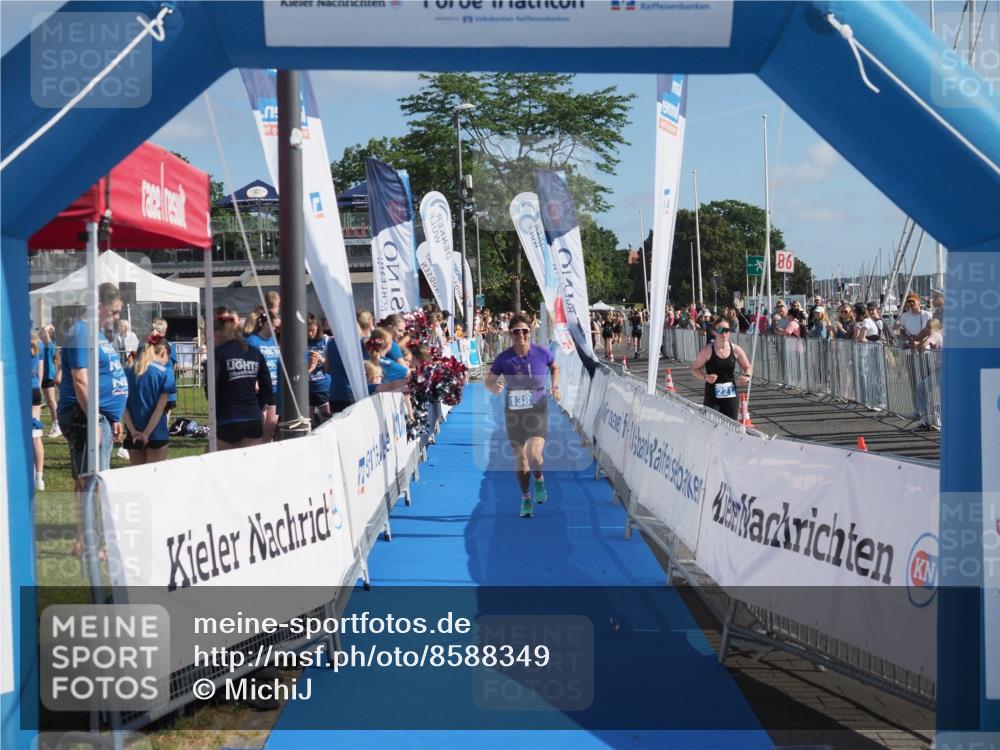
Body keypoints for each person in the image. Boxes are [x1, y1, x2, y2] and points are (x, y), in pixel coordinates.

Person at [57, 282, 128, 558]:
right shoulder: (80, 331)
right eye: (115, 311)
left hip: (99, 417)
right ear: (99, 307)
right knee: (92, 482)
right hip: (83, 414)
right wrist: (95, 418)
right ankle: (91, 542)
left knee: (92, 479)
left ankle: (86, 541)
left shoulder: (96, 333)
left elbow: (103, 375)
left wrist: (113, 415)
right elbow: (80, 380)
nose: (117, 316)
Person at [485, 314, 560, 518]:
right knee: (521, 459)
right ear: (510, 334)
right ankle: (526, 499)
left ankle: (539, 478)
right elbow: (488, 381)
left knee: (534, 454)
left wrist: (555, 386)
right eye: (516, 331)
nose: (521, 335)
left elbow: (554, 367)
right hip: (514, 411)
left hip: (537, 407)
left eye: (524, 331)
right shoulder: (504, 357)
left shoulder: (541, 352)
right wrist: (495, 387)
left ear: (530, 332)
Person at [213, 307, 274, 451]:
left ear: (220, 332)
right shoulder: (254, 352)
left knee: (224, 467)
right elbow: (267, 386)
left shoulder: (219, 353)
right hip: (252, 417)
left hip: (228, 418)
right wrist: (257, 405)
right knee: (250, 467)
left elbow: (211, 386)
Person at [123, 334, 176, 465]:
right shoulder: (165, 373)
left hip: (132, 433)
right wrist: (146, 434)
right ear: (164, 352)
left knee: (137, 480)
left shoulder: (126, 371)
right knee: (154, 480)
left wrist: (134, 432)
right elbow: (160, 408)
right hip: (157, 433)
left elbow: (123, 407)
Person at [690, 319, 752, 421]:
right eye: (720, 330)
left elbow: (747, 367)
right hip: (712, 395)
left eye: (727, 330)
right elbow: (694, 369)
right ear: (714, 332)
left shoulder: (736, 349)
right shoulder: (707, 350)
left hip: (731, 395)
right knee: (711, 425)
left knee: (731, 426)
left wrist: (747, 376)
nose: (724, 333)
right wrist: (706, 377)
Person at [245, 308, 281, 441]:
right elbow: (248, 362)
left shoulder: (275, 341)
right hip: (259, 389)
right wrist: (254, 380)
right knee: (261, 429)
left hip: (275, 388)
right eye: (276, 327)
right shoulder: (253, 341)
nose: (278, 330)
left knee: (272, 427)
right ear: (267, 324)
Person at [306, 313, 332, 425]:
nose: (310, 333)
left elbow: (331, 368)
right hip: (306, 387)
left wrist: (321, 359)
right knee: (308, 421)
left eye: (312, 330)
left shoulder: (326, 341)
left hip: (323, 386)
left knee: (327, 419)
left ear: (318, 327)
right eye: (307, 331)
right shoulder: (299, 342)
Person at [30, 331, 45, 491]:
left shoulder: (16, 341)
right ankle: (39, 477)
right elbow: (41, 371)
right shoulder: (39, 344)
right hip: (34, 389)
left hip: (20, 390)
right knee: (36, 435)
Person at [40, 325, 61, 437]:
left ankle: (57, 424)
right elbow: (38, 335)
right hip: (43, 376)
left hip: (48, 376)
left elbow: (43, 331)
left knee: (52, 402)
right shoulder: (43, 345)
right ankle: (56, 424)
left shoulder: (50, 345)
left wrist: (48, 327)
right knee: (49, 402)